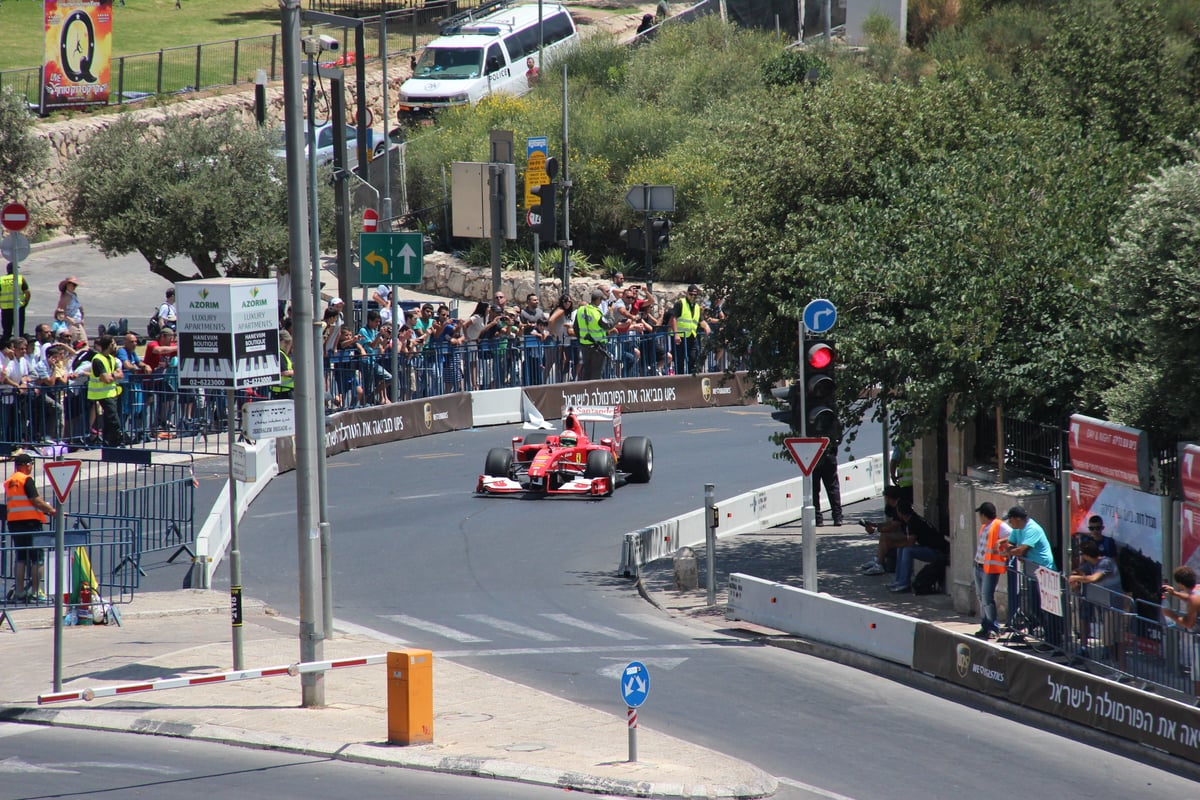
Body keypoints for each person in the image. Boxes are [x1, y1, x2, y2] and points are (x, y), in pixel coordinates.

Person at [6, 452, 56, 604]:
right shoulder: (26, 480)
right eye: (31, 464)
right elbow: (36, 501)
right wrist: (52, 511)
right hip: (30, 523)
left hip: (14, 523)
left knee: (21, 557)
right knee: (37, 558)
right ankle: (36, 591)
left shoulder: (10, 481)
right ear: (26, 465)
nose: (32, 467)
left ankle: (20, 591)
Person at [1067, 538, 1125, 662]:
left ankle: (1120, 669)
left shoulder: (1105, 562)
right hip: (1105, 605)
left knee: (1114, 640)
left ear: (1086, 555)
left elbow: (1093, 578)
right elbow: (1081, 573)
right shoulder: (1090, 565)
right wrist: (1076, 579)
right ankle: (1116, 667)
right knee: (1109, 639)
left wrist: (1075, 577)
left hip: (1114, 605)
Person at [888, 500, 950, 592]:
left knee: (907, 550)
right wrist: (897, 544)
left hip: (938, 552)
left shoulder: (913, 522)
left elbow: (910, 543)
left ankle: (904, 583)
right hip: (932, 549)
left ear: (900, 513)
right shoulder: (912, 519)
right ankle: (899, 580)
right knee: (901, 548)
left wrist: (892, 544)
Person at [973, 502, 1011, 639]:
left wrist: (1002, 544)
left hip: (989, 568)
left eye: (980, 514)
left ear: (983, 515)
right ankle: (985, 625)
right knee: (981, 597)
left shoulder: (999, 525)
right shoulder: (985, 527)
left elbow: (1014, 536)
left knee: (987, 598)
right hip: (978, 565)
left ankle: (993, 627)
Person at [1162, 566, 1200, 697]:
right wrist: (1175, 594)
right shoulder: (1198, 589)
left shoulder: (1194, 599)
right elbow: (1191, 599)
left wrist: (1170, 614)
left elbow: (1188, 623)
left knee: (1197, 676)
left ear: (1180, 583)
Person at [859, 486, 905, 576]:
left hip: (909, 535)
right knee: (884, 534)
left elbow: (893, 527)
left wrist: (876, 530)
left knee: (885, 535)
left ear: (888, 497)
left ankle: (879, 564)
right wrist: (875, 524)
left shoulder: (900, 507)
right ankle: (878, 560)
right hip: (905, 533)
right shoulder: (898, 505)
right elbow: (892, 523)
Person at [88, 334, 124, 446]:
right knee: (114, 419)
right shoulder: (98, 360)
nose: (115, 346)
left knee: (109, 420)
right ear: (109, 345)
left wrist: (112, 375)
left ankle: (108, 444)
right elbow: (106, 379)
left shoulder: (112, 359)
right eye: (113, 344)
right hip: (102, 394)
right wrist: (114, 375)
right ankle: (117, 440)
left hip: (112, 393)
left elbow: (120, 374)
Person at [670, 284, 710, 375]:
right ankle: (680, 382)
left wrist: (706, 326)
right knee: (679, 361)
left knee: (693, 359)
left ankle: (690, 382)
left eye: (695, 295)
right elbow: (673, 318)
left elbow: (701, 321)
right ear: (687, 293)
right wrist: (676, 334)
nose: (692, 296)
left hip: (691, 337)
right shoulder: (680, 303)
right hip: (680, 337)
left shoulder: (697, 307)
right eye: (691, 294)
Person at [575, 289, 610, 381]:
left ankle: (586, 392)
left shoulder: (580, 310)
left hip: (584, 345)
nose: (601, 302)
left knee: (587, 370)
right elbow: (606, 326)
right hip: (598, 346)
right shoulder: (596, 312)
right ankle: (595, 393)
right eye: (601, 300)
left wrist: (581, 339)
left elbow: (576, 327)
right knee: (597, 372)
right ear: (598, 299)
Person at [812, 442, 843, 528]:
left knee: (814, 490)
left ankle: (818, 519)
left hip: (813, 458)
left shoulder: (808, 428)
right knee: (833, 488)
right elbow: (838, 439)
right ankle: (837, 517)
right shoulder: (832, 428)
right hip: (829, 456)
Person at [0, 262, 31, 340]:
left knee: (6, 332)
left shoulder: (1, 280)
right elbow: (27, 292)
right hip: (18, 308)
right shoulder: (20, 278)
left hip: (6, 309)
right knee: (19, 332)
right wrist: (25, 303)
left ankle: (5, 347)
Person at [55, 277, 86, 345]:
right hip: (70, 325)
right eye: (73, 285)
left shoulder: (74, 295)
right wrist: (69, 319)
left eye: (76, 285)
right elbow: (59, 313)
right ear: (68, 285)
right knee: (73, 343)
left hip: (78, 323)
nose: (75, 287)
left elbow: (79, 308)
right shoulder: (65, 297)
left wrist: (82, 318)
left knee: (84, 343)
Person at [270, 330, 295, 400]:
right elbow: (284, 372)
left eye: (289, 342)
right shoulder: (279, 353)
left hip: (282, 390)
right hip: (283, 391)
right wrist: (297, 372)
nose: (287, 345)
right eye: (286, 342)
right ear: (279, 341)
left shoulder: (279, 353)